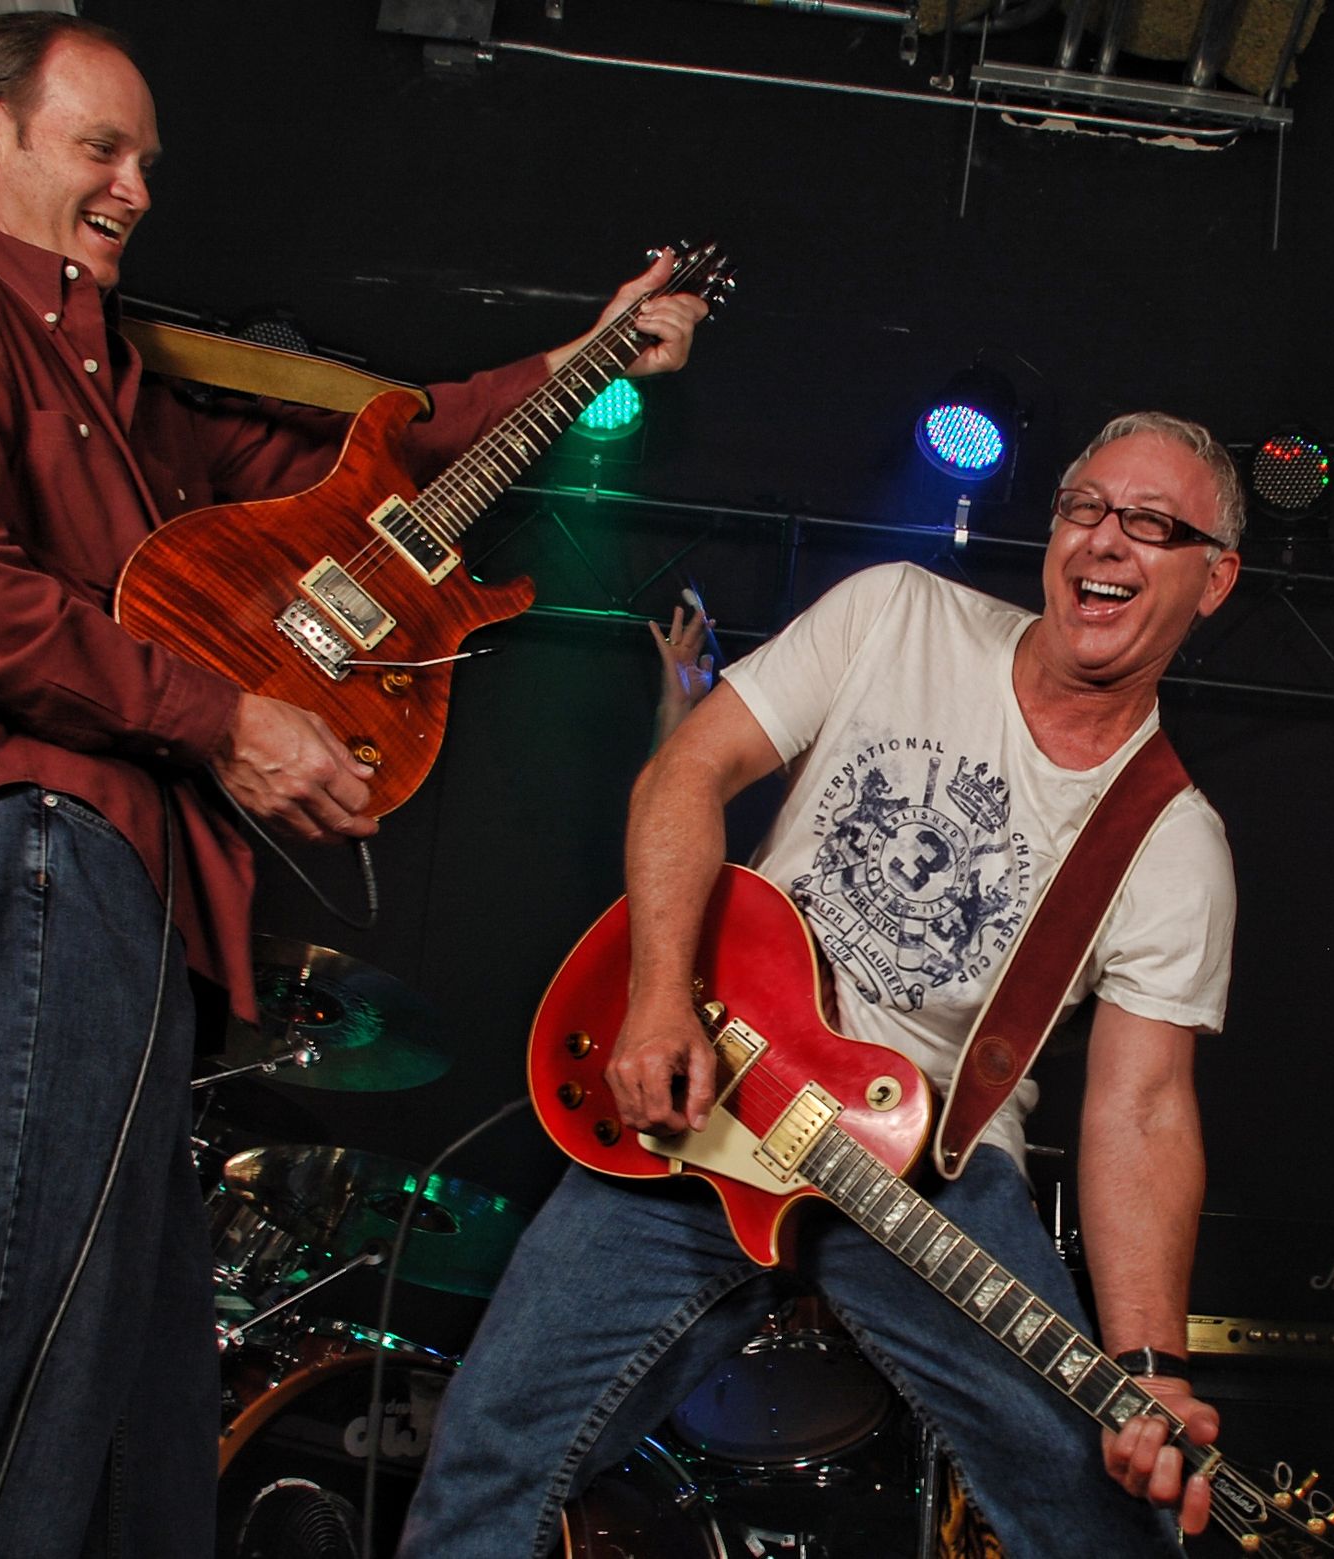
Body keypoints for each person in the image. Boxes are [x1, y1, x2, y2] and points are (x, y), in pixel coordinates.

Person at [0, 12, 708, 1557]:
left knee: (148, 1405)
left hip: (118, 887)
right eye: (103, 148)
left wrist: (582, 357)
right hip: (33, 841)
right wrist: (220, 716)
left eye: (147, 160)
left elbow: (382, 475)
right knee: (41, 1345)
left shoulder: (133, 393)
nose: (137, 187)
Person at [399, 412, 1241, 1558]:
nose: (1103, 539)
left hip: (928, 1165)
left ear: (1213, 578)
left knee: (1097, 1510)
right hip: (715, 1081)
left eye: (1149, 523)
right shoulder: (896, 612)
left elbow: (1140, 1108)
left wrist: (1148, 1364)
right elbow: (687, 769)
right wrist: (658, 998)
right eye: (1083, 507)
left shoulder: (1171, 841)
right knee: (488, 1451)